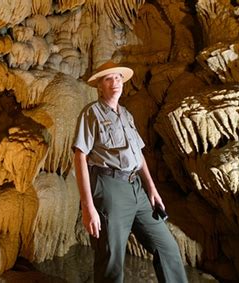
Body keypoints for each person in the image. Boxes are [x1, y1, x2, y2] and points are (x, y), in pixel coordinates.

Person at [72, 61, 188, 283]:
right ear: (100, 86)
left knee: (167, 248)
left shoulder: (126, 115)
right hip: (110, 188)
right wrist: (88, 207)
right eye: (108, 79)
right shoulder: (91, 114)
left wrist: (152, 190)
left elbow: (138, 155)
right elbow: (80, 156)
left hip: (137, 189)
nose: (114, 82)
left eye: (117, 78)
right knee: (112, 258)